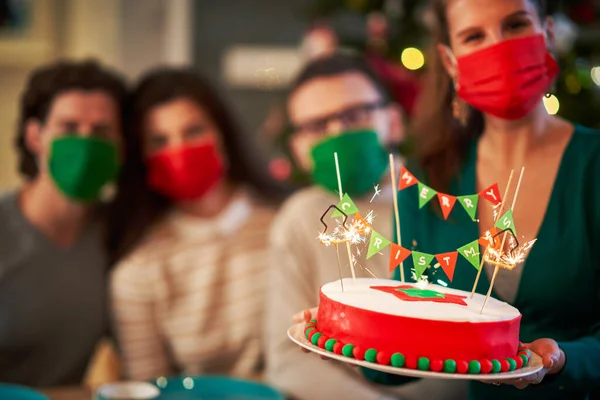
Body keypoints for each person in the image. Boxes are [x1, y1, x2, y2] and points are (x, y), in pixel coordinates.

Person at [358, 0, 600, 399]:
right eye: (474, 36)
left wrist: (562, 359)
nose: (498, 47)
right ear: (450, 61)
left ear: (549, 33)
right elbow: (408, 350)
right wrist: (351, 344)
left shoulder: (591, 167)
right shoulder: (426, 179)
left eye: (516, 24)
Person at [264, 52, 467, 400]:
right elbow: (287, 359)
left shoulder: (453, 199)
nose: (338, 133)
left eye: (355, 115)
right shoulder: (298, 220)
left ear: (393, 121)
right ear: (298, 148)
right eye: (317, 126)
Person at [108, 68, 285, 380]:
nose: (179, 150)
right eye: (160, 140)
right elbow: (150, 388)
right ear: (143, 157)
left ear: (222, 135)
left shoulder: (286, 224)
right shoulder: (139, 270)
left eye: (193, 132)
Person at [0, 60, 127, 386]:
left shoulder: (119, 234)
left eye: (101, 131)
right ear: (35, 137)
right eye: (69, 128)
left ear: (121, 147)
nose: (85, 145)